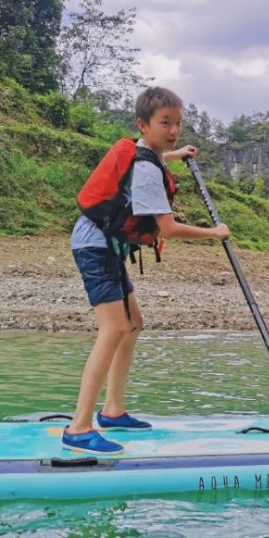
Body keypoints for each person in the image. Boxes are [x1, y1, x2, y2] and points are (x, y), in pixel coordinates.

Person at [63, 86, 231, 455]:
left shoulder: (147, 154)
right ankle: (78, 428)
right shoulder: (146, 169)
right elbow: (168, 228)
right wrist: (213, 232)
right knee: (115, 327)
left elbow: (152, 158)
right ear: (143, 123)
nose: (173, 130)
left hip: (106, 244)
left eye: (178, 123)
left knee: (134, 323)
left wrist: (177, 154)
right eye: (164, 123)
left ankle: (113, 410)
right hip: (95, 245)